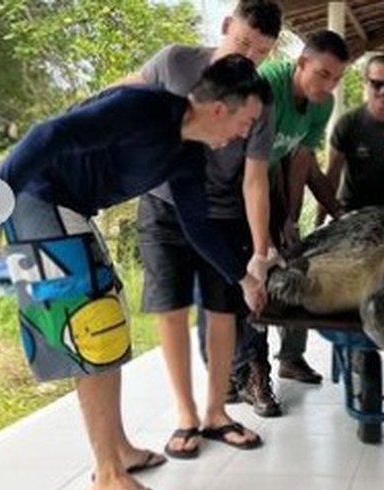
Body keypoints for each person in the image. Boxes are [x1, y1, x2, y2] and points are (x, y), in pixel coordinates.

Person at [0, 55, 271, 490]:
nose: (245, 134)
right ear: (221, 108)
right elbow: (47, 135)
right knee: (93, 326)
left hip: (71, 207)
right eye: (247, 120)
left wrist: (242, 278)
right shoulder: (146, 109)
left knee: (109, 314)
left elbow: (197, 225)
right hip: (38, 196)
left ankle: (118, 450)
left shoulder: (185, 153)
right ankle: (105, 476)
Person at [120, 0, 284, 438]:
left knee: (222, 311)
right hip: (162, 205)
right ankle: (185, 416)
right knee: (170, 309)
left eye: (260, 52)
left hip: (223, 211)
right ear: (226, 26)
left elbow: (254, 181)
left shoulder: (262, 101)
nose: (247, 57)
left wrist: (260, 254)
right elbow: (123, 94)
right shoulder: (174, 62)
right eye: (243, 42)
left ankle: (217, 412)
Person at [230, 30, 350, 390]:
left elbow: (300, 160)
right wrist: (262, 238)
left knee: (294, 262)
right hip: (237, 182)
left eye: (337, 78)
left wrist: (290, 218)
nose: (329, 85)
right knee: (251, 268)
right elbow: (246, 170)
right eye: (323, 74)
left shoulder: (323, 104)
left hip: (273, 180)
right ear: (301, 63)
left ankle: (290, 358)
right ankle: (247, 368)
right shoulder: (267, 85)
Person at [318, 53, 384, 223]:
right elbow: (331, 179)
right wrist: (319, 224)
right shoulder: (347, 124)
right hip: (352, 215)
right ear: (365, 83)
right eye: (377, 84)